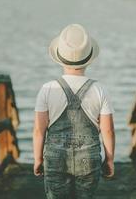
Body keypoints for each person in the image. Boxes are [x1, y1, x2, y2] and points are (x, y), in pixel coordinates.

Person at [32, 23, 115, 199]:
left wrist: (38, 158)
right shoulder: (100, 89)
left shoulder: (47, 89)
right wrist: (109, 159)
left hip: (55, 158)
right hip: (89, 158)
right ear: (89, 58)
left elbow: (39, 130)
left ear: (59, 57)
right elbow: (107, 130)